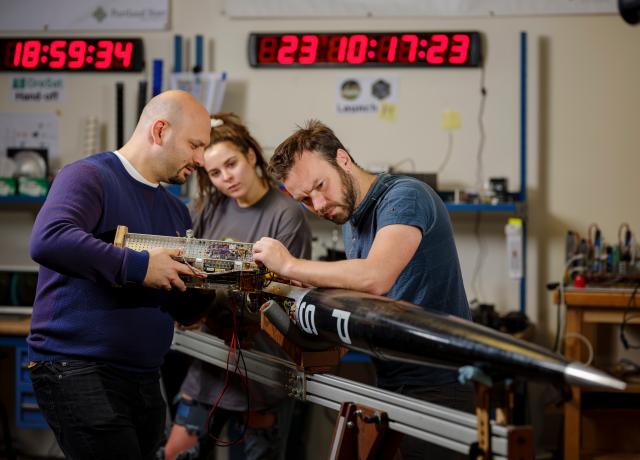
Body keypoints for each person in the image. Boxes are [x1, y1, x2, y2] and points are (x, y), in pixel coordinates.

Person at [252, 120, 474, 460]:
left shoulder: (403, 197)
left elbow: (375, 277)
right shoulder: (351, 222)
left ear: (342, 159)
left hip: (440, 383)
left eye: (320, 186)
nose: (319, 204)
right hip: (394, 378)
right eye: (305, 200)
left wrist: (289, 265)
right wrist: (306, 284)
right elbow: (369, 294)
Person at [27, 90, 215, 460]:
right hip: (78, 367)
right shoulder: (88, 176)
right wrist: (143, 266)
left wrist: (205, 294)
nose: (201, 159)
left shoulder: (177, 212)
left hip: (144, 375)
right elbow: (49, 239)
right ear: (160, 131)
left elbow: (168, 294)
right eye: (195, 145)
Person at [162, 113, 312, 460]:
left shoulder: (285, 214)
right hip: (208, 363)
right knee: (174, 454)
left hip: (260, 370)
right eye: (214, 172)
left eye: (231, 164)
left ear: (251, 155)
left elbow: (280, 297)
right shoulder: (209, 207)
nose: (226, 178)